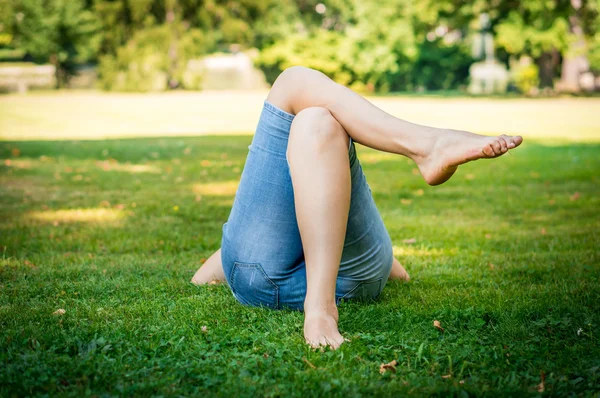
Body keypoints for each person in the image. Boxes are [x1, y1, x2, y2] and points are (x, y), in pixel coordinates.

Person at [191, 66, 523, 349]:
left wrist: (213, 272)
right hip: (356, 279)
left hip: (256, 274)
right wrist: (391, 265)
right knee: (310, 109)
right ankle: (425, 146)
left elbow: (220, 261)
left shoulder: (251, 246)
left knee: (314, 116)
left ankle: (428, 147)